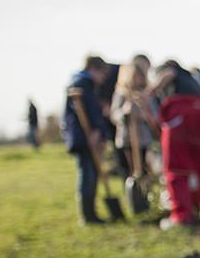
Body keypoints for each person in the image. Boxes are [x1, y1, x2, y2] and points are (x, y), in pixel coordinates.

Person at [148, 60, 200, 229]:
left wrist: (152, 90)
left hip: (180, 115)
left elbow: (168, 74)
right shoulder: (194, 82)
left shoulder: (173, 70)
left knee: (177, 169)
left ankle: (181, 216)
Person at [62, 56, 110, 224]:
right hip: (83, 138)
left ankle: (91, 213)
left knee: (92, 174)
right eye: (102, 74)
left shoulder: (88, 85)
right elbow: (89, 111)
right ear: (93, 69)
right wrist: (96, 131)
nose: (103, 78)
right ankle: (87, 215)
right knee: (87, 175)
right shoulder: (82, 84)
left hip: (89, 137)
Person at [110, 54, 155, 178]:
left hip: (143, 139)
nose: (137, 79)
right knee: (128, 173)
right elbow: (114, 115)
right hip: (125, 139)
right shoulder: (121, 93)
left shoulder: (146, 94)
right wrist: (124, 113)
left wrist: (143, 114)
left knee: (144, 171)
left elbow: (154, 117)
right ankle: (131, 195)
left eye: (140, 76)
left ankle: (143, 194)